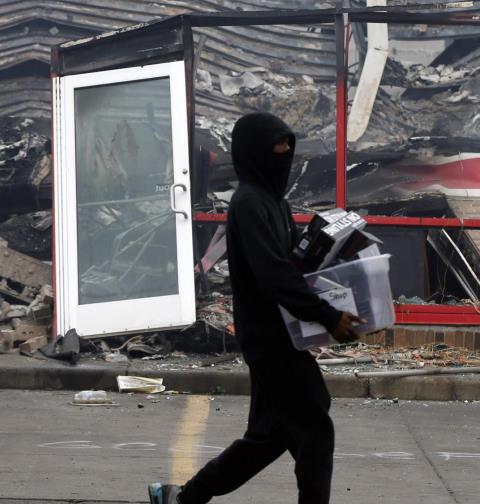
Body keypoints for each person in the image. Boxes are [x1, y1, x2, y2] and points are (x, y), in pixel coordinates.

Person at [148, 112, 364, 504]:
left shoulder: (274, 204)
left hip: (282, 336)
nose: (285, 154)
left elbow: (293, 265)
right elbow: (273, 273)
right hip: (268, 340)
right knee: (314, 425)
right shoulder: (248, 204)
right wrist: (327, 316)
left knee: (267, 438)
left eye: (288, 147)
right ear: (253, 153)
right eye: (277, 147)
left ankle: (183, 498)